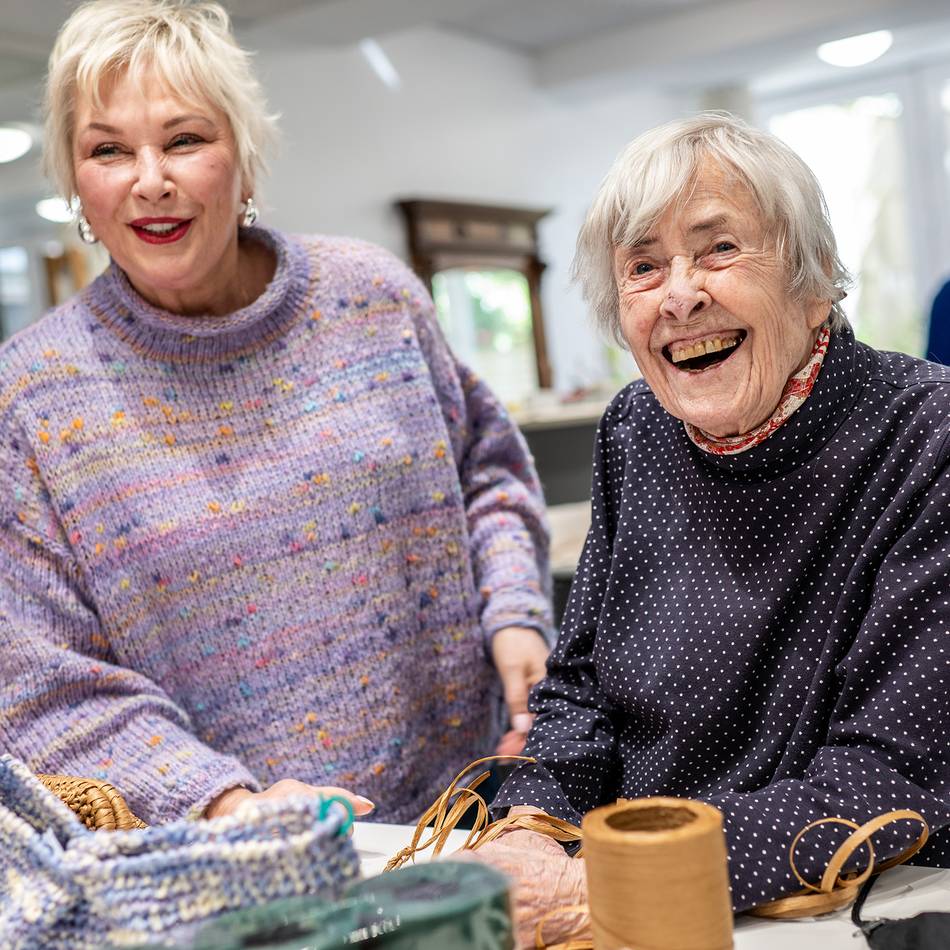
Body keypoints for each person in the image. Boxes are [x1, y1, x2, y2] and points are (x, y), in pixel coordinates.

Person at [0, 0, 551, 826]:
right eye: (109, 149)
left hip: (473, 822)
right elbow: (42, 681)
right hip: (245, 872)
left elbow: (488, 473)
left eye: (185, 140)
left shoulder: (374, 299)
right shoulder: (32, 397)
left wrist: (514, 615)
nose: (151, 178)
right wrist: (224, 800)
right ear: (78, 183)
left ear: (245, 160)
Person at [472, 112, 950, 942]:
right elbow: (580, 689)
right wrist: (526, 831)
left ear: (815, 277)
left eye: (719, 249)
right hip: (614, 893)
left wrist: (623, 882)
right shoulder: (636, 429)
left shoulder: (928, 437)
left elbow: (895, 770)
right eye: (644, 267)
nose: (680, 294)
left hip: (848, 908)